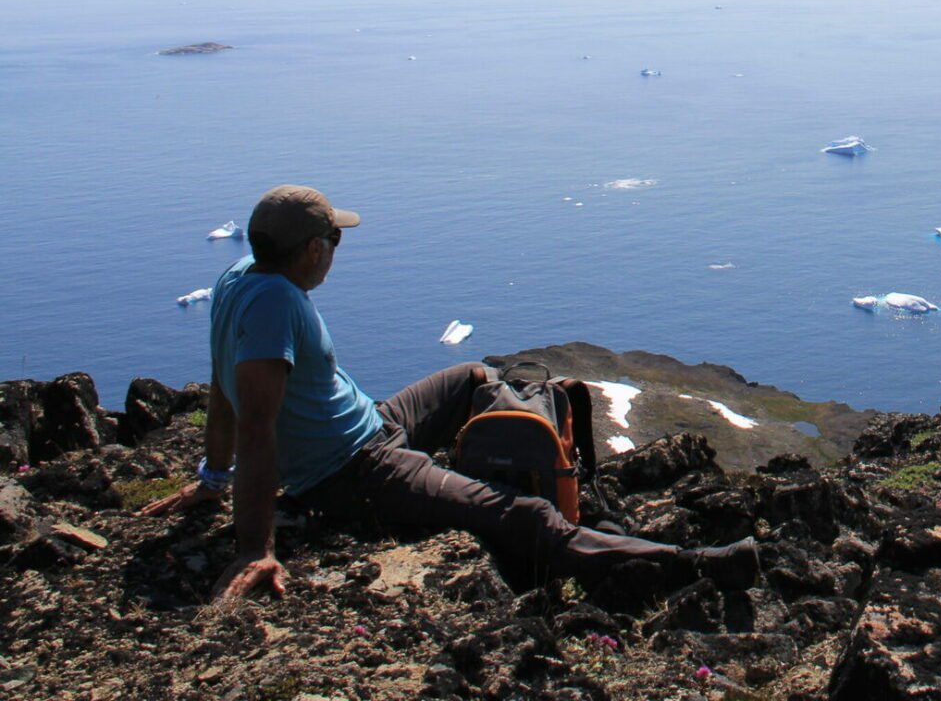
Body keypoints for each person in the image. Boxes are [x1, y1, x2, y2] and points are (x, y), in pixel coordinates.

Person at [142, 184, 757, 600]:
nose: (336, 252)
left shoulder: (237, 277)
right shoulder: (277, 304)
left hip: (370, 426)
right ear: (310, 249)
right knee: (525, 518)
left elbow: (222, 387)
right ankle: (686, 569)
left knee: (471, 377)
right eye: (334, 241)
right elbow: (252, 421)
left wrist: (212, 477)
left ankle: (518, 464)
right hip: (354, 471)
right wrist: (255, 547)